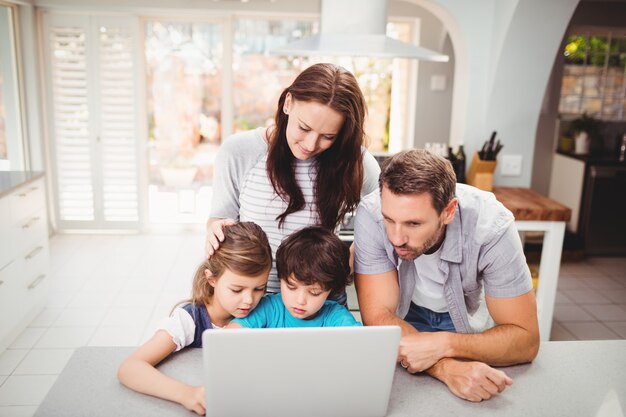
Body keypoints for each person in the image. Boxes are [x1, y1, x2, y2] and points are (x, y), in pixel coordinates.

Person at [353, 149, 539, 402]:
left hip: (467, 324)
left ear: (448, 211)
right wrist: (446, 368)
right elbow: (377, 317)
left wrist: (443, 344)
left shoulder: (492, 226)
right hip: (406, 317)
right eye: (389, 219)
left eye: (414, 224)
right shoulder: (372, 213)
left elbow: (525, 340)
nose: (396, 237)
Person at [205, 63, 381, 298]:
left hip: (318, 304)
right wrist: (215, 230)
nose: (310, 145)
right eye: (304, 127)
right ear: (288, 103)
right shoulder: (239, 151)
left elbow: (383, 223)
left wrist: (348, 262)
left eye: (328, 136)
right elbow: (218, 221)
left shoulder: (355, 161)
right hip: (254, 301)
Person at [117, 222, 272, 415]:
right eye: (237, 289)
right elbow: (130, 367)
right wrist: (186, 394)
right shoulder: (190, 319)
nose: (249, 300)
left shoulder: (268, 310)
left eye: (259, 288)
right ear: (211, 279)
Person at [228, 226, 360, 328]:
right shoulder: (270, 308)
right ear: (281, 279)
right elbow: (229, 337)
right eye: (291, 287)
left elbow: (362, 344)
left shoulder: (336, 317)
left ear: (330, 290)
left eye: (314, 292)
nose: (300, 300)